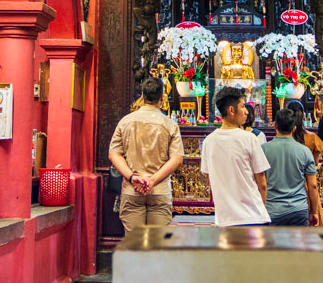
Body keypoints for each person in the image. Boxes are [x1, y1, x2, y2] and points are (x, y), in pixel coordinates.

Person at [109, 78, 185, 232]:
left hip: (132, 189)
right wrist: (152, 181)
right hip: (159, 190)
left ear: (142, 96)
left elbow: (114, 154)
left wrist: (132, 177)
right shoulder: (170, 125)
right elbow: (177, 159)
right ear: (162, 98)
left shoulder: (125, 122)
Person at [201, 86, 271, 226]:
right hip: (253, 217)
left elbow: (210, 179)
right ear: (231, 110)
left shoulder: (209, 141)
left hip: (225, 219)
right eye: (243, 106)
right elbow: (262, 183)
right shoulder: (249, 139)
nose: (246, 112)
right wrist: (261, 207)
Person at [262, 107, 321, 225]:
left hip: (272, 210)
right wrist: (314, 212)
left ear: (275, 126)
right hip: (298, 209)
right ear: (294, 128)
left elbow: (261, 184)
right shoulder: (304, 151)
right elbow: (313, 185)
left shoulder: (263, 150)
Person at [286, 99, 323, 224]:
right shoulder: (312, 138)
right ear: (303, 115)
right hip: (308, 186)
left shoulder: (286, 139)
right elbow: (314, 164)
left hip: (289, 186)